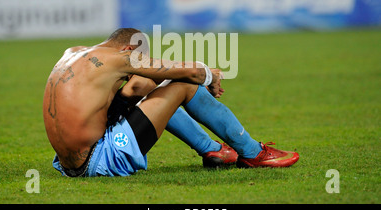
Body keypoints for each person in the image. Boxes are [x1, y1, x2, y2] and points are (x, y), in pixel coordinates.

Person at [43, 28, 299, 177]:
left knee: (154, 89)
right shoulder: (121, 59)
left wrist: (142, 84)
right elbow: (192, 74)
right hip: (98, 160)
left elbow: (137, 88)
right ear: (130, 50)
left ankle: (213, 150)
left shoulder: (74, 53)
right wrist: (210, 75)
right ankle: (254, 153)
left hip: (68, 164)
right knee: (184, 85)